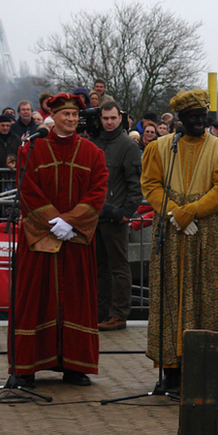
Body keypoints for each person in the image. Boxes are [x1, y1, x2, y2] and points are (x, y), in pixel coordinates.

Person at [140, 88, 218, 390]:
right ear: (180, 119)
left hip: (207, 234)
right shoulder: (158, 148)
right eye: (193, 118)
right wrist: (174, 213)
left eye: (203, 117)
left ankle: (206, 367)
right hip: (170, 233)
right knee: (170, 296)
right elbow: (150, 185)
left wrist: (193, 212)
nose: (200, 122)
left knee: (206, 296)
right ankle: (171, 368)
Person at [8, 93, 108, 388]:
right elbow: (26, 189)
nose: (72, 120)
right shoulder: (33, 148)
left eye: (76, 116)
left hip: (75, 240)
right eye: (66, 115)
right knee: (34, 300)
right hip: (39, 239)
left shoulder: (92, 152)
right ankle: (25, 367)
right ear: (54, 118)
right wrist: (54, 221)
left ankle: (74, 366)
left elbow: (98, 189)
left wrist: (72, 222)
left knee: (76, 301)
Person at [91, 101, 143, 332]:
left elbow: (136, 184)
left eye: (113, 118)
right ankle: (101, 312)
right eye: (106, 118)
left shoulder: (127, 146)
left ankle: (119, 314)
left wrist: (125, 213)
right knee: (99, 267)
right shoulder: (94, 143)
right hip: (94, 215)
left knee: (119, 268)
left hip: (115, 216)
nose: (109, 122)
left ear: (120, 118)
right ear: (100, 119)